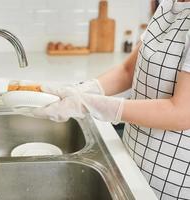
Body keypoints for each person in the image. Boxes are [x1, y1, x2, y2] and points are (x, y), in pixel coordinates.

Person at [31, 0, 190, 199]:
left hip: (171, 181)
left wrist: (91, 105)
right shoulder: (168, 4)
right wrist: (84, 90)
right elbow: (128, 70)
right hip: (134, 164)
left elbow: (182, 113)